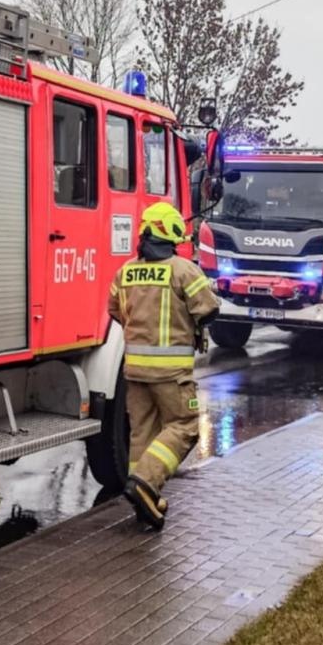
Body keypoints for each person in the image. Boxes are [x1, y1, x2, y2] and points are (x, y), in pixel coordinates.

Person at [107, 201, 219, 529]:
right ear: (168, 234)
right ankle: (145, 481)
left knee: (143, 431)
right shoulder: (183, 270)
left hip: (134, 371)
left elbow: (114, 310)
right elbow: (208, 310)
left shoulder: (124, 272)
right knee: (184, 426)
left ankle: (146, 498)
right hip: (171, 373)